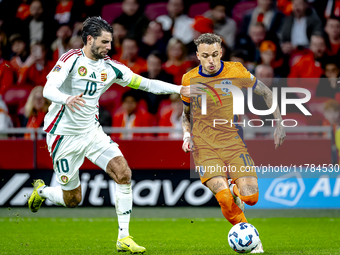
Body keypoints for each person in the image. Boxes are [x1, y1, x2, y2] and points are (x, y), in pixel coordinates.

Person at [27, 16, 198, 254]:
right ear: (89, 39)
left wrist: (179, 89)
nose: (109, 47)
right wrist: (67, 99)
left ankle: (124, 237)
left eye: (111, 42)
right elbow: (48, 89)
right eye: (105, 42)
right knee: (73, 200)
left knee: (123, 173)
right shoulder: (71, 60)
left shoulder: (111, 68)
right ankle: (42, 191)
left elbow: (146, 84)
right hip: (62, 136)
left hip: (92, 132)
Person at [180, 33, 286, 254]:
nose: (211, 60)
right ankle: (252, 239)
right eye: (206, 56)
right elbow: (186, 114)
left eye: (215, 55)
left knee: (251, 197)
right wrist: (186, 135)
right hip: (204, 147)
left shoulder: (236, 70)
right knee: (225, 199)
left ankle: (235, 188)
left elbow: (265, 92)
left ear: (221, 52)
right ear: (198, 55)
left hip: (233, 144)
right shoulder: (188, 79)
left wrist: (279, 122)